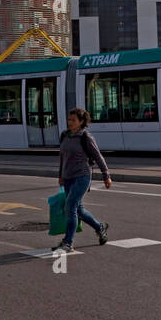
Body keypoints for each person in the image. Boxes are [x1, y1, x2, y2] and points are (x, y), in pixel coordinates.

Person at [54, 108, 112, 253]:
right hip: (68, 177)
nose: (70, 122)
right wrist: (60, 175)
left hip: (82, 176)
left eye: (73, 120)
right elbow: (62, 157)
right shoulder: (64, 136)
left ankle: (68, 243)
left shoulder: (85, 137)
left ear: (81, 122)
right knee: (78, 209)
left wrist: (106, 175)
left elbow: (98, 157)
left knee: (70, 207)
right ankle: (100, 227)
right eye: (69, 119)